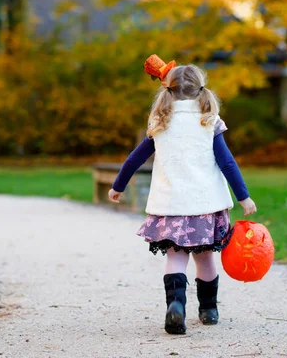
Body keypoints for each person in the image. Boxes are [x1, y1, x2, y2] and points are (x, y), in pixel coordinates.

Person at [108, 63, 257, 335]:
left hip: (171, 207)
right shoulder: (207, 120)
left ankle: (175, 305)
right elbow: (227, 163)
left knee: (175, 258)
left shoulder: (161, 122)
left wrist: (118, 186)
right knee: (205, 259)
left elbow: (134, 159)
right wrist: (244, 197)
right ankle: (208, 309)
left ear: (169, 91)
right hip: (204, 207)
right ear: (201, 89)